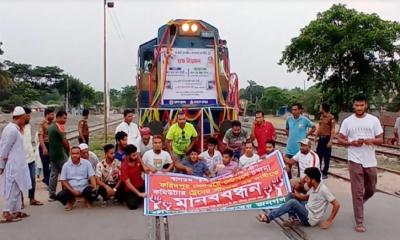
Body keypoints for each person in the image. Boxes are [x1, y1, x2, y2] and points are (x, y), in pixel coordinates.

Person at [337, 94, 383, 233]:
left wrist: (371, 140)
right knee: (356, 191)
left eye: (361, 105)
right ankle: (359, 221)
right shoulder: (347, 122)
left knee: (371, 189)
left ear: (366, 105)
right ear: (353, 105)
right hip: (354, 159)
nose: (359, 108)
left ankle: (360, 203)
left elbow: (380, 139)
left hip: (370, 161)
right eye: (356, 105)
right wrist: (351, 143)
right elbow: (340, 139)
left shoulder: (373, 120)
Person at [256, 167, 340, 230]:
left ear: (313, 179)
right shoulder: (313, 186)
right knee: (291, 195)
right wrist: (296, 194)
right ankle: (293, 218)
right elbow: (305, 197)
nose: (305, 180)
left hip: (310, 219)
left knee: (293, 202)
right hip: (307, 208)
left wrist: (329, 221)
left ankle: (268, 217)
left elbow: (337, 205)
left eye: (307, 178)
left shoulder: (323, 189)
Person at [0, 107, 31, 223]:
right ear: (20, 118)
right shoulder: (12, 130)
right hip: (13, 165)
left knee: (17, 188)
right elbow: (4, 149)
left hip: (18, 164)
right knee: (12, 189)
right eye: (24, 118)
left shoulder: (14, 129)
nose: (25, 121)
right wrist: (1, 165)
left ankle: (16, 211)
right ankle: (6, 212)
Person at [285, 103, 315, 178]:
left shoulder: (304, 120)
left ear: (300, 110)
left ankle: (299, 184)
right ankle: (289, 183)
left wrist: (307, 135)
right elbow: (287, 128)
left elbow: (314, 127)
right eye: (292, 110)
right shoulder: (289, 119)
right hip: (289, 149)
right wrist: (289, 136)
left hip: (300, 149)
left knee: (301, 169)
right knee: (286, 168)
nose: (293, 111)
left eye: (295, 110)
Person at [23, 107, 43, 206]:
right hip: (21, 160)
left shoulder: (28, 126)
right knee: (21, 181)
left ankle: (32, 198)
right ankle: (20, 201)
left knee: (32, 180)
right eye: (28, 115)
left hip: (30, 158)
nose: (29, 117)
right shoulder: (16, 128)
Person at [48, 110, 70, 201]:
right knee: (66, 174)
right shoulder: (59, 127)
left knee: (53, 174)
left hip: (53, 154)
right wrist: (68, 151)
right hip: (60, 154)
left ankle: (52, 194)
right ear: (59, 117)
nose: (65, 120)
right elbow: (65, 142)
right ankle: (66, 192)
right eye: (64, 118)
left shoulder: (51, 127)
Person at [120, 144, 147, 210]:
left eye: (136, 154)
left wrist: (150, 169)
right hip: (131, 189)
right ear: (127, 156)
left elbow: (144, 168)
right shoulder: (124, 166)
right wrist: (139, 193)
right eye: (133, 155)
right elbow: (128, 184)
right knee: (133, 206)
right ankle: (125, 198)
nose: (135, 157)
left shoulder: (137, 159)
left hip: (141, 185)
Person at [316, 103, 335, 179]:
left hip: (327, 138)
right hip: (321, 138)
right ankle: (319, 171)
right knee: (319, 155)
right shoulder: (321, 117)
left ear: (323, 108)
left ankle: (325, 172)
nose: (319, 108)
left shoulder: (331, 117)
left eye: (320, 107)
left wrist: (330, 141)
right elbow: (319, 127)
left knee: (326, 156)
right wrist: (316, 136)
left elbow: (333, 130)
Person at [38, 108, 54, 186]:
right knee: (45, 164)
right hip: (45, 145)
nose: (53, 116)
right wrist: (44, 148)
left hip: (52, 146)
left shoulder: (53, 123)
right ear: (47, 115)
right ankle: (47, 181)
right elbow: (40, 136)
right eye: (51, 114)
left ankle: (48, 179)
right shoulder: (42, 123)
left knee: (52, 163)